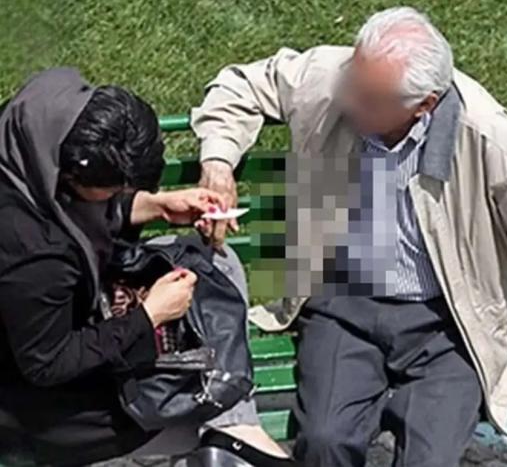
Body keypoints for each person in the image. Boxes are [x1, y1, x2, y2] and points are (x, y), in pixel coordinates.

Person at [192, 7, 507, 466]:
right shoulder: (333, 78)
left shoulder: (490, 137)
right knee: (325, 440)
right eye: (353, 81)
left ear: (424, 105)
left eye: (369, 98)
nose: (349, 100)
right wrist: (218, 162)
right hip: (343, 305)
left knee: (429, 457)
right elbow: (238, 86)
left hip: (449, 322)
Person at [0, 68, 292, 466]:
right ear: (70, 175)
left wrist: (155, 206)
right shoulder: (33, 255)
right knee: (195, 401)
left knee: (217, 262)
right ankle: (235, 430)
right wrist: (149, 315)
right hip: (40, 403)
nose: (120, 197)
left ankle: (232, 425)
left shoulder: (37, 123)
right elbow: (47, 364)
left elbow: (73, 207)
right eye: (115, 192)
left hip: (58, 309)